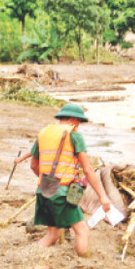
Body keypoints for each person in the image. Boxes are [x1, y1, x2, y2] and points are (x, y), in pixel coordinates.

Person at [29, 103, 111, 256]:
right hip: (61, 194)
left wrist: (49, 182)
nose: (78, 125)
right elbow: (87, 169)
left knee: (53, 234)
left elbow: (33, 165)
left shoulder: (44, 133)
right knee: (83, 231)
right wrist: (102, 196)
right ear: (74, 119)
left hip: (43, 191)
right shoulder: (74, 135)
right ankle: (84, 260)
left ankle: (32, 254)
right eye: (79, 122)